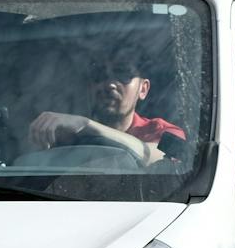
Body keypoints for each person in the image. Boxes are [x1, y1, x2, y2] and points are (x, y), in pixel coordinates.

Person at [27, 53, 187, 165]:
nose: (109, 84)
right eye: (99, 75)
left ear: (143, 89)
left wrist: (86, 125)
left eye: (123, 74)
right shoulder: (66, 137)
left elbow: (158, 157)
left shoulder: (162, 132)